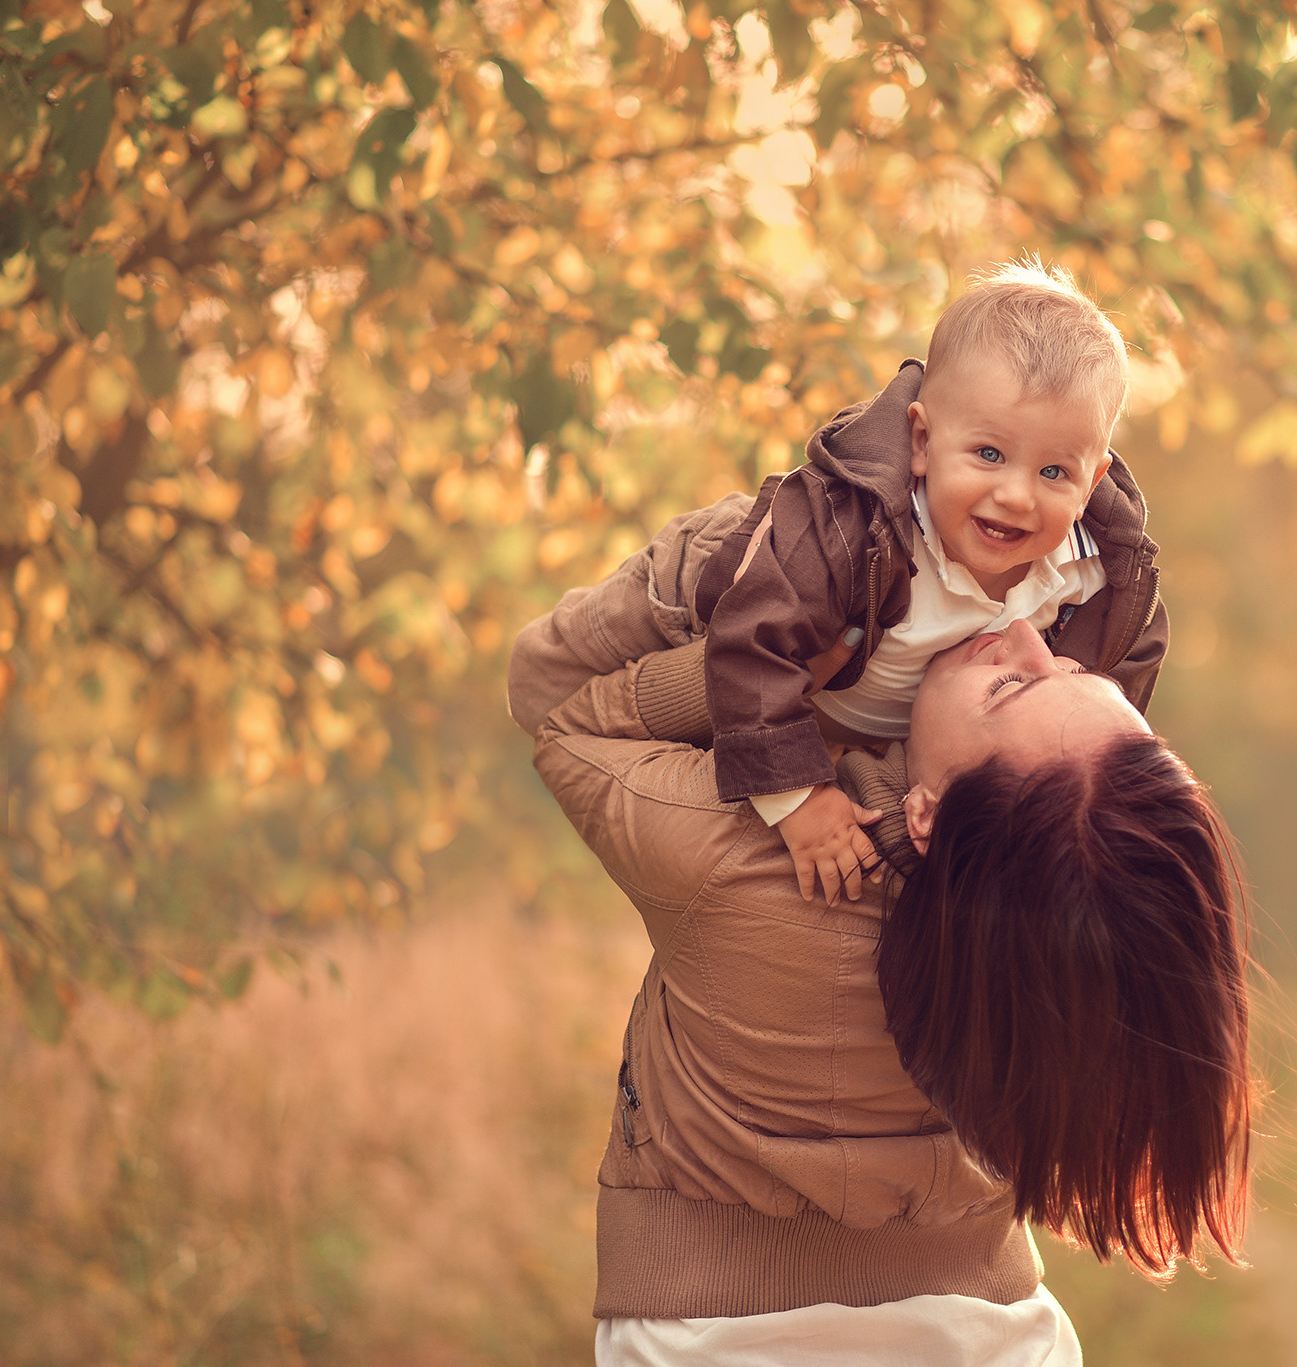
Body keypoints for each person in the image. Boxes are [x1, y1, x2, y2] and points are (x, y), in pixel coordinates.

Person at [507, 504, 1252, 1364]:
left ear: (930, 816)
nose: (1021, 635)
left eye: (1013, 684)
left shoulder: (734, 858)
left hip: (704, 1335)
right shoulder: (1069, 942)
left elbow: (558, 707)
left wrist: (760, 584)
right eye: (1070, 662)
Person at [687, 259, 1168, 906]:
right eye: (989, 455)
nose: (1018, 495)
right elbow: (750, 639)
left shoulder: (1097, 571)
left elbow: (1125, 664)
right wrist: (797, 800)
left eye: (1055, 471)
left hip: (898, 730)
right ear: (921, 439)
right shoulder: (851, 533)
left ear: (1094, 477)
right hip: (728, 630)